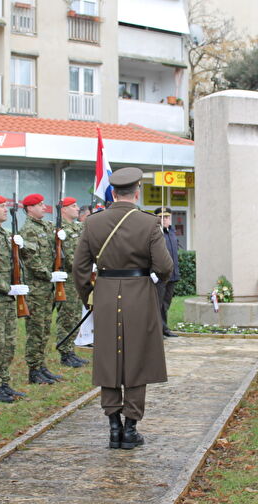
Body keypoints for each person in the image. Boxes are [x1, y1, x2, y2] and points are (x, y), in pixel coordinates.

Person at [73, 167, 173, 450]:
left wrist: (89, 297)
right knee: (137, 360)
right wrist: (153, 282)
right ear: (137, 192)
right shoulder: (148, 222)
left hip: (104, 294)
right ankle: (130, 429)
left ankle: (113, 426)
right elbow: (164, 266)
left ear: (113, 193)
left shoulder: (93, 222)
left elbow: (79, 268)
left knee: (108, 358)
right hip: (139, 294)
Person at [0, 195, 29, 402]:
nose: (5, 210)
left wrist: (22, 246)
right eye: (1, 207)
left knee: (9, 342)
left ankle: (4, 382)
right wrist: (7, 288)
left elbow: (18, 263)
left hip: (10, 297)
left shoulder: (6, 234)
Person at [19, 193, 64, 385]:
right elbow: (31, 259)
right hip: (37, 287)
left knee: (45, 328)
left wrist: (61, 235)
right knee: (36, 329)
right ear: (29, 208)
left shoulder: (45, 226)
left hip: (47, 288)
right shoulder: (28, 229)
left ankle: (41, 365)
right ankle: (34, 368)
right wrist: (48, 275)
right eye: (39, 205)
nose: (44, 207)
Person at [54, 196, 89, 368]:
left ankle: (71, 349)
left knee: (75, 315)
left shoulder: (77, 228)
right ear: (63, 209)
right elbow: (66, 257)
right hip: (67, 278)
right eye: (73, 206)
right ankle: (65, 351)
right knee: (67, 316)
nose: (77, 209)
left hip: (77, 277)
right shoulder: (60, 229)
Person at [153, 206, 180, 338]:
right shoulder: (155, 234)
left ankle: (164, 328)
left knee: (166, 304)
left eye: (167, 217)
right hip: (160, 276)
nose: (164, 220)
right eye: (161, 217)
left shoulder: (172, 233)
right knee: (158, 304)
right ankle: (158, 330)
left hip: (172, 275)